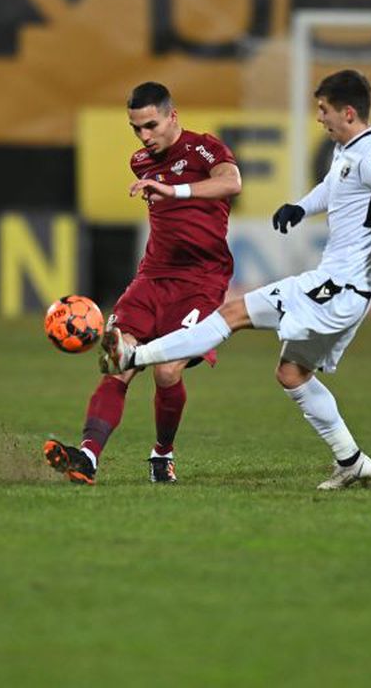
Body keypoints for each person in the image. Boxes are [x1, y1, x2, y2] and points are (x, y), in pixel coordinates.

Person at [98, 69, 371, 490]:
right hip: (347, 292)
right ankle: (352, 461)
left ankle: (135, 356)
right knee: (292, 373)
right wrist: (301, 207)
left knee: (233, 314)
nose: (319, 118)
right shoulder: (351, 149)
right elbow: (333, 187)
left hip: (337, 287)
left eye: (324, 110)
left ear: (347, 112)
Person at [43, 82, 243, 484]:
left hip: (201, 282)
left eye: (151, 125)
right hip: (151, 279)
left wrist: (173, 189)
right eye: (136, 128)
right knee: (117, 362)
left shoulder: (203, 148)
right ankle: (87, 457)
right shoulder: (140, 162)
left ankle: (162, 454)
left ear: (173, 116)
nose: (144, 136)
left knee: (167, 370)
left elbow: (231, 182)